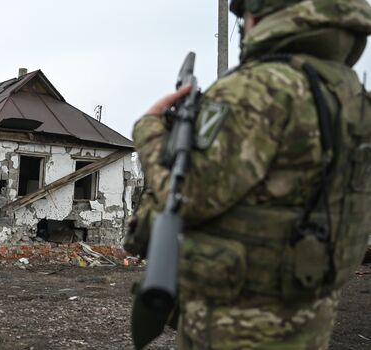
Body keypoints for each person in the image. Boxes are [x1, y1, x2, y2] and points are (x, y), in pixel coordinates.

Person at [130, 0, 371, 348]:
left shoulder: (258, 89)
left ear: (261, 12)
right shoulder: (352, 95)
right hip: (307, 317)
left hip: (234, 325)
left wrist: (150, 129)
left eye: (243, 15)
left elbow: (187, 194)